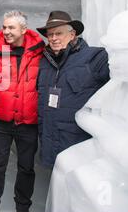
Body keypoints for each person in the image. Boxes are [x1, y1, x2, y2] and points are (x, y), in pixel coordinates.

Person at [46, 7, 128, 212]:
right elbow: (85, 114)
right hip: (99, 155)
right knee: (66, 163)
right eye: (112, 52)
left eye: (121, 53)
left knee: (86, 182)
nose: (112, 60)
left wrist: (104, 130)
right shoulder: (118, 85)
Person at [0, 10, 44, 212]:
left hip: (28, 122)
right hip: (1, 121)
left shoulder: (40, 51)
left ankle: (22, 210)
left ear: (24, 29)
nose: (5, 31)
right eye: (4, 27)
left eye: (11, 27)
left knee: (26, 168)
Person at [36, 11, 110, 168]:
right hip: (50, 140)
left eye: (59, 33)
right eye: (50, 35)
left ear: (72, 34)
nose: (53, 38)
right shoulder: (44, 62)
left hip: (78, 145)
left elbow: (125, 71)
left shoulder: (95, 58)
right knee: (57, 186)